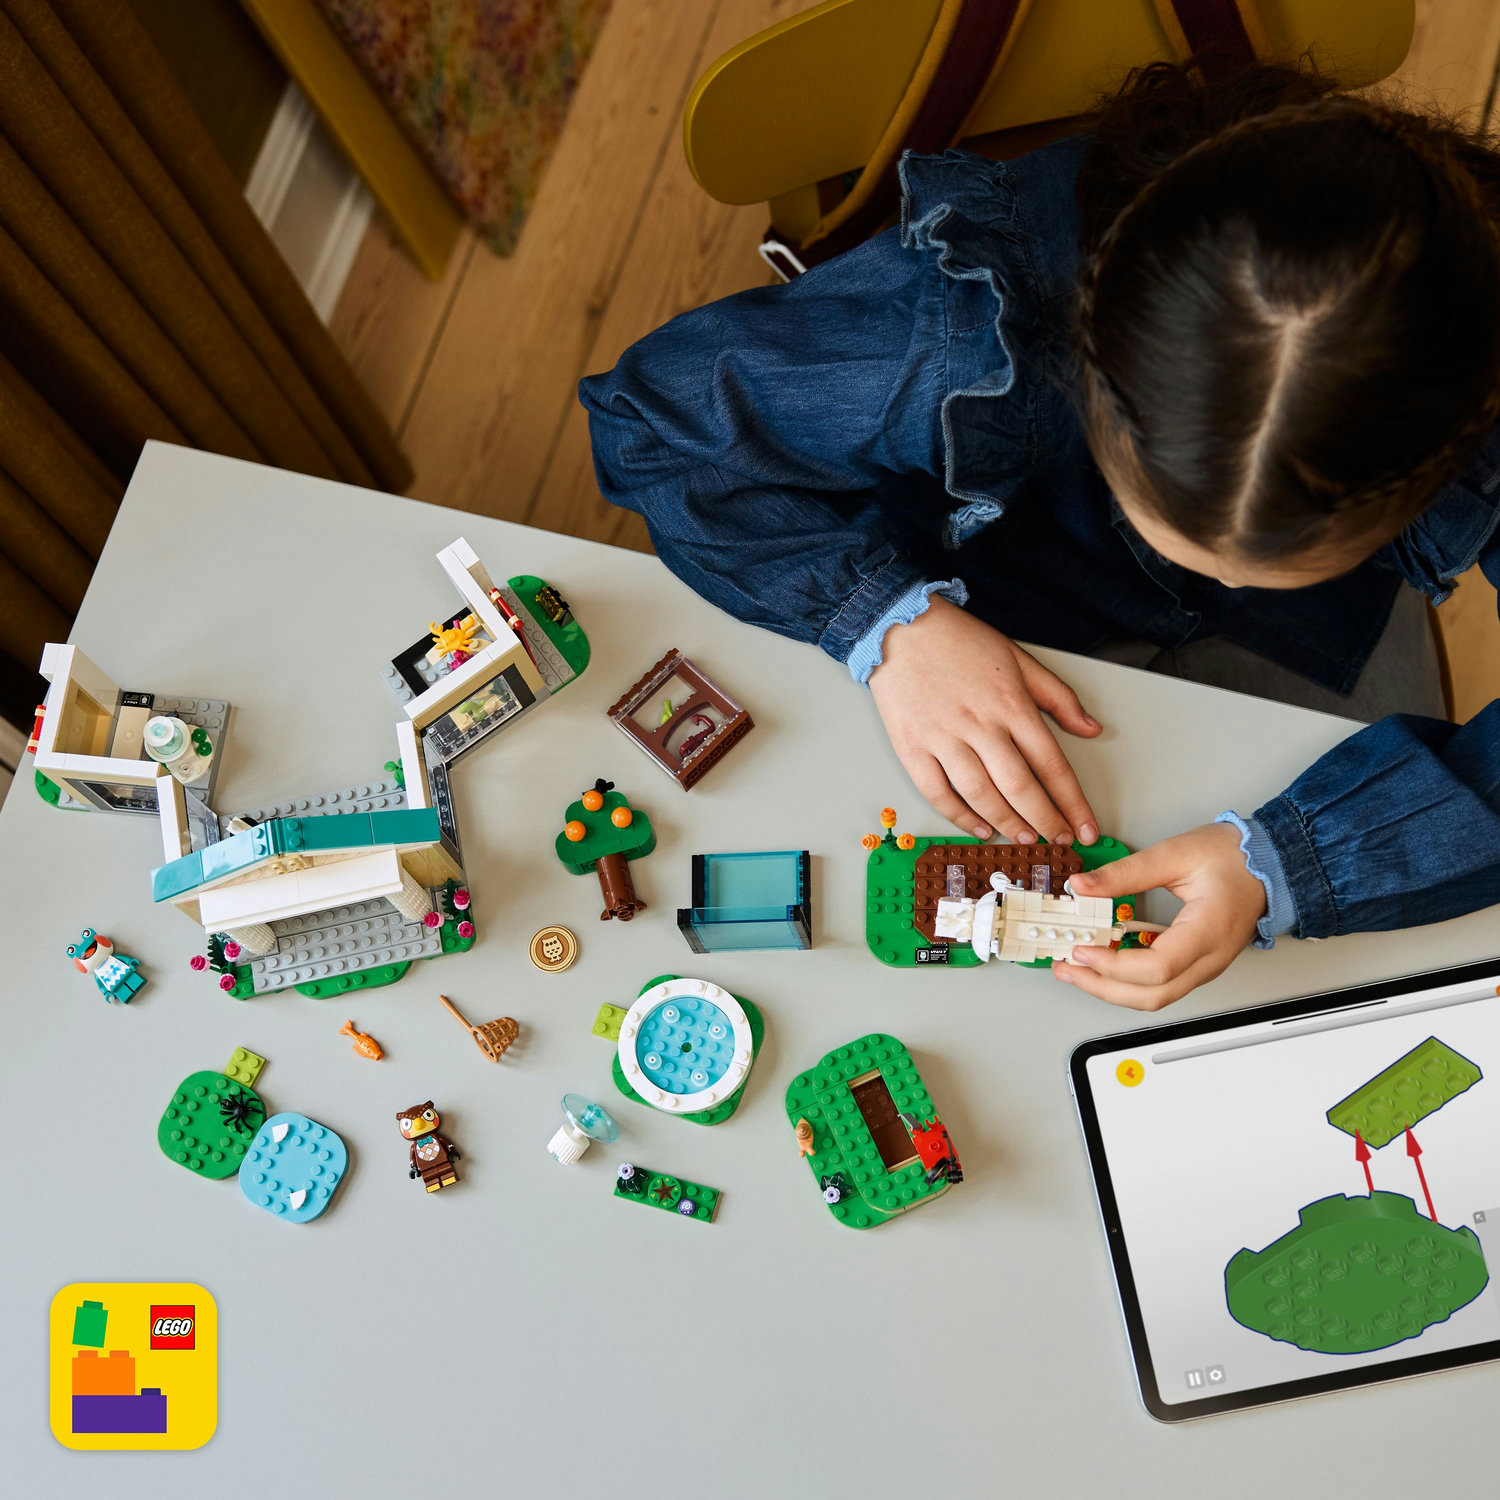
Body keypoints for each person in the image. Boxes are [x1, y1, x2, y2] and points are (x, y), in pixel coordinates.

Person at [579, 58, 1500, 1012]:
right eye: (1188, 531)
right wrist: (888, 623)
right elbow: (651, 425)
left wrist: (1286, 867)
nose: (1234, 579)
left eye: (1276, 557)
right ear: (1090, 375)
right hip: (991, 592)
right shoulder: (963, 334)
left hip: (1322, 629)